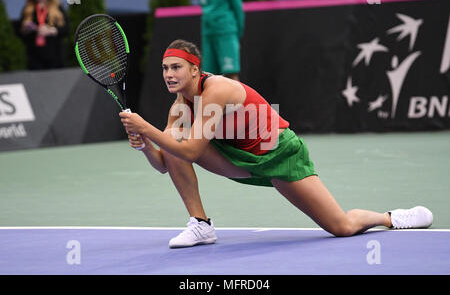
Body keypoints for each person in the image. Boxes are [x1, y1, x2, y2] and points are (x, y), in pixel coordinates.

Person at [119, 39, 434, 249]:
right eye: (164, 68)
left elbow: (191, 151)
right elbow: (166, 162)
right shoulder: (179, 107)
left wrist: (145, 126)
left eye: (176, 67)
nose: (169, 74)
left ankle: (390, 218)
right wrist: (146, 143)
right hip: (240, 158)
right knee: (172, 139)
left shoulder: (215, 89)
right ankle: (201, 224)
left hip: (279, 152)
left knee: (341, 226)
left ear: (195, 70)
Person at [197, 0, 244, 81]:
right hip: (208, 35)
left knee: (230, 74)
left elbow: (238, 11)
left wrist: (237, 37)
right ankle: (206, 98)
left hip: (226, 34)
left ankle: (235, 98)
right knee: (208, 76)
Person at [19, 0, 68, 70]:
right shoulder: (28, 9)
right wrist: (25, 30)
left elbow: (66, 29)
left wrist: (51, 30)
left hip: (55, 56)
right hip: (35, 58)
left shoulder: (57, 7)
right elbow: (20, 34)